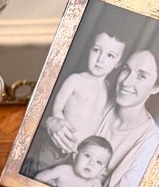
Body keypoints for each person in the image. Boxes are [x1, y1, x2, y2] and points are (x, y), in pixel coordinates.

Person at [88, 47, 159, 187]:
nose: (126, 82)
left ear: (157, 87)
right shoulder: (99, 97)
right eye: (126, 70)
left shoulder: (151, 144)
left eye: (141, 76)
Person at [31, 28, 126, 169]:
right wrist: (61, 127)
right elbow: (57, 108)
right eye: (96, 50)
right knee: (40, 170)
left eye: (110, 55)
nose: (100, 59)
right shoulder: (75, 80)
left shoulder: (108, 88)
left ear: (118, 63)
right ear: (89, 50)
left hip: (82, 155)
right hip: (58, 145)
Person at [33, 135, 112, 187]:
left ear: (102, 171)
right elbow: (40, 177)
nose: (91, 163)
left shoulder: (94, 183)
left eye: (99, 162)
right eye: (87, 156)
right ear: (75, 156)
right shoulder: (63, 170)